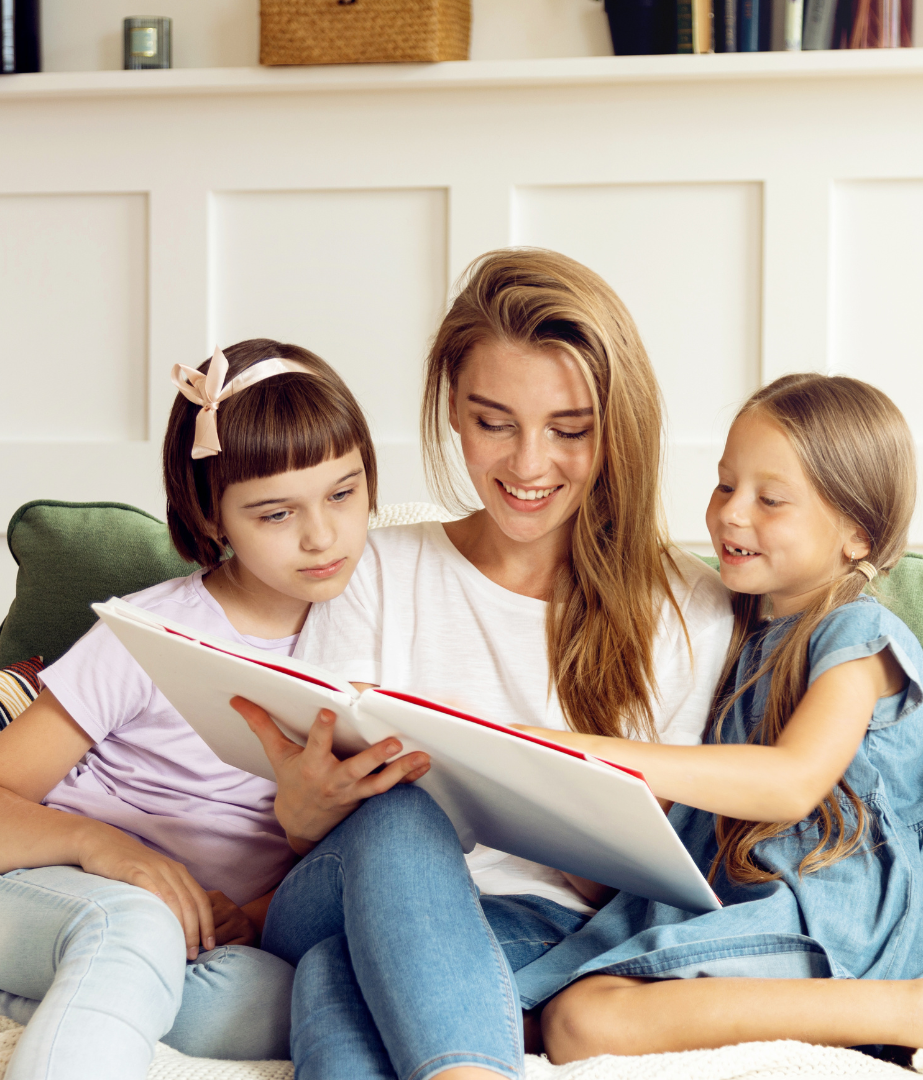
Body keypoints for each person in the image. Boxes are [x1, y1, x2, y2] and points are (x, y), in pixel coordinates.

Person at [0, 339, 423, 1080]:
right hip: (42, 900)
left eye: (343, 493)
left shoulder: (375, 640)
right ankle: (43, 993)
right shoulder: (148, 635)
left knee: (303, 998)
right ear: (213, 514)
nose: (323, 535)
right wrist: (108, 851)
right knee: (133, 926)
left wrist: (251, 916)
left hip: (203, 942)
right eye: (276, 513)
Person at [505, 373, 923, 1080]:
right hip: (756, 896)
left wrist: (590, 754)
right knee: (539, 1007)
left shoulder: (859, 636)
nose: (732, 515)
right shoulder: (740, 635)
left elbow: (792, 783)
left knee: (585, 1020)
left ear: (857, 532)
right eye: (724, 485)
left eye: (770, 500)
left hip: (849, 912)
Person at [231, 249, 736, 1080]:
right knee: (399, 816)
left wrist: (539, 803)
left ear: (618, 430)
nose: (528, 466)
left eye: (569, 430)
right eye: (494, 422)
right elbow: (312, 828)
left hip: (540, 927)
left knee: (337, 974)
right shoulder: (377, 568)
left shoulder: (691, 608)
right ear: (453, 414)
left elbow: (649, 884)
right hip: (337, 885)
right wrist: (303, 808)